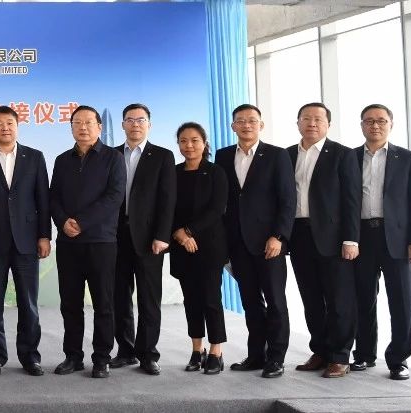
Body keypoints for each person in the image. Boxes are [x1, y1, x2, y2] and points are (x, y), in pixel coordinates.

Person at [216, 104, 294, 379]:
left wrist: (279, 236)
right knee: (250, 302)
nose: (246, 125)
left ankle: (276, 358)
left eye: (252, 120)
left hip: (269, 242)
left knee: (275, 302)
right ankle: (256, 355)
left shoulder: (277, 155)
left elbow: (288, 200)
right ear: (233, 126)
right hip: (238, 243)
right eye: (241, 121)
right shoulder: (223, 155)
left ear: (261, 125)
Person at [0, 105, 49, 377]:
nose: (5, 128)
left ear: (17, 126)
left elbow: (43, 199)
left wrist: (44, 235)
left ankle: (30, 357)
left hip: (27, 241)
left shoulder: (35, 157)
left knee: (29, 304)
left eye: (9, 123)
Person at [49, 105, 126, 379]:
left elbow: (114, 196)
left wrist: (82, 222)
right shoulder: (62, 160)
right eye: (77, 123)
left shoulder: (113, 158)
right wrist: (63, 222)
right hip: (68, 243)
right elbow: (53, 196)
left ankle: (102, 358)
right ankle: (73, 356)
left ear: (99, 127)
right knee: (70, 303)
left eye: (88, 122)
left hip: (100, 241)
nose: (83, 127)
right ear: (71, 127)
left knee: (103, 303)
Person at [286, 102, 362, 379]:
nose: (312, 123)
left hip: (333, 238)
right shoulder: (287, 155)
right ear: (298, 123)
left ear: (328, 124)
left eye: (318, 119)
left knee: (339, 299)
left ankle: (340, 356)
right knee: (311, 298)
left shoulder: (342, 154)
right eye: (306, 118)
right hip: (299, 235)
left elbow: (352, 200)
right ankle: (320, 350)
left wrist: (351, 239)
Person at [350, 104, 411, 381]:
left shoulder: (408, 159)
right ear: (362, 125)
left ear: (390, 124)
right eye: (369, 121)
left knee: (402, 301)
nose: (375, 125)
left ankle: (399, 359)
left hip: (398, 239)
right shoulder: (350, 157)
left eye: (381, 121)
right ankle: (364, 354)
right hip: (360, 237)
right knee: (362, 298)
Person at [111, 103, 176, 375]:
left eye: (140, 120)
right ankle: (125, 351)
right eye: (130, 120)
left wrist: (162, 235)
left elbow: (168, 199)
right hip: (115, 236)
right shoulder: (112, 155)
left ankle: (148, 353)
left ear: (149, 124)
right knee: (119, 296)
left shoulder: (162, 156)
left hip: (150, 239)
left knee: (149, 298)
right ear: (122, 125)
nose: (135, 124)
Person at [168, 122, 229, 375]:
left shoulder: (215, 172)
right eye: (183, 141)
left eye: (194, 140)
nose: (189, 145)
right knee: (191, 300)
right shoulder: (172, 173)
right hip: (181, 246)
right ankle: (197, 350)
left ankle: (216, 351)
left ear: (204, 143)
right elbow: (165, 208)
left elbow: (217, 209)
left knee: (211, 299)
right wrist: (179, 234)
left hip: (210, 246)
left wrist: (189, 231)